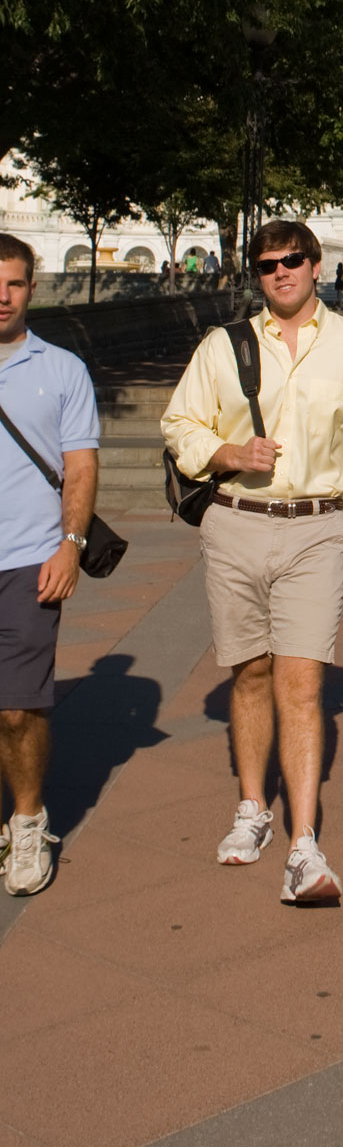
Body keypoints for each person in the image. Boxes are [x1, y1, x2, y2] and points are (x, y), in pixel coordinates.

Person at [162, 220, 343, 904]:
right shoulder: (223, 346)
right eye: (267, 265)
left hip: (316, 527)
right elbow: (180, 424)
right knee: (251, 673)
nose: (281, 273)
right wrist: (230, 455)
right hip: (235, 522)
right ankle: (252, 809)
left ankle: (303, 844)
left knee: (301, 682)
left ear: (317, 265)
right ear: (255, 274)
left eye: (293, 261)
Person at [0, 236, 99, 897]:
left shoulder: (60, 368)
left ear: (31, 288)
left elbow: (82, 466)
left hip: (28, 557)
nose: (0, 296)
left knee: (17, 710)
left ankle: (29, 819)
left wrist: (71, 542)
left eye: (11, 283)